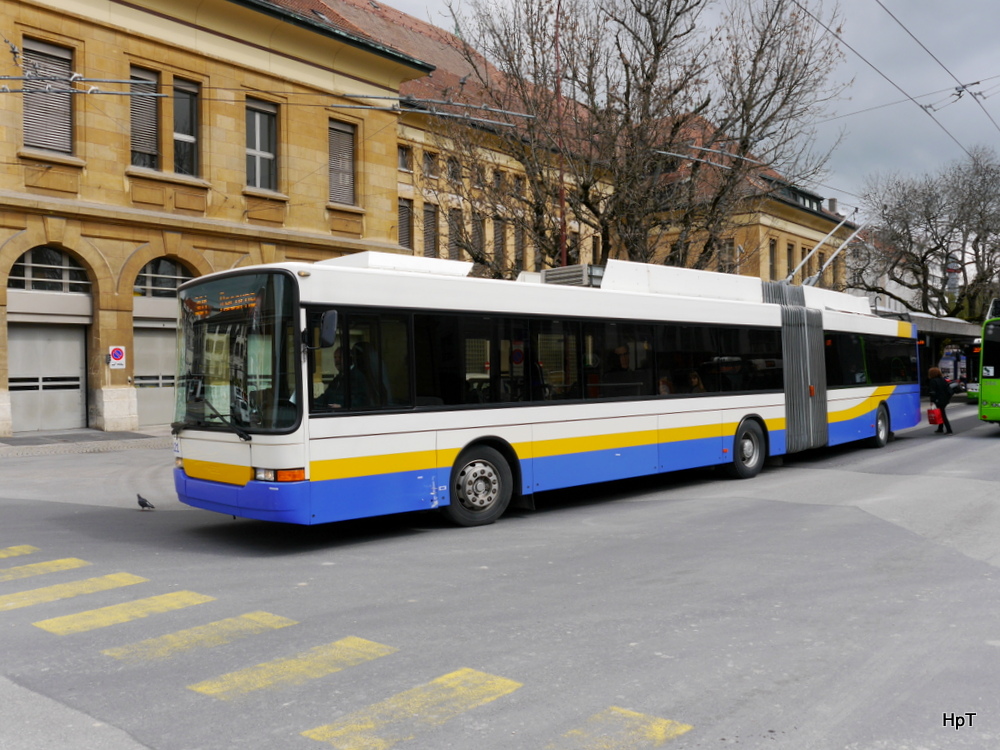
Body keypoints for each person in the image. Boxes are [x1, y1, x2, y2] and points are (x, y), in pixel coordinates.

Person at [927, 366, 954, 434]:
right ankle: (940, 428)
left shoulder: (933, 381)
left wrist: (932, 401)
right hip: (945, 399)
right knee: (940, 413)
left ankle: (949, 430)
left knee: (942, 414)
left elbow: (932, 392)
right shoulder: (942, 379)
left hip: (938, 399)